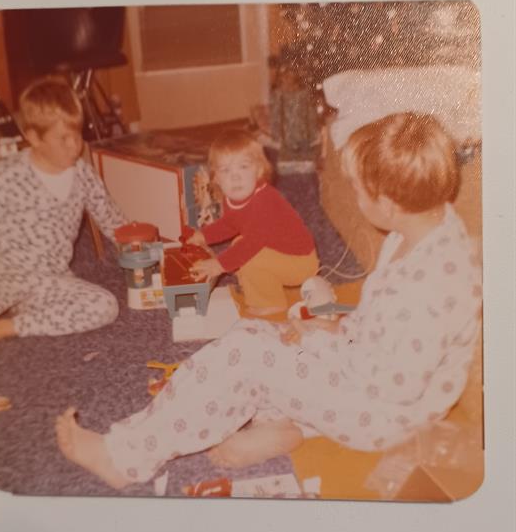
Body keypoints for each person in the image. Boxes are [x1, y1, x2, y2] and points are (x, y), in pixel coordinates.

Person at [56, 112, 482, 490]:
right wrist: (333, 330)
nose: (356, 197)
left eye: (358, 191)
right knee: (257, 335)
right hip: (367, 371)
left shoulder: (427, 290)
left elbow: (391, 386)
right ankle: (283, 426)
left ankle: (124, 458)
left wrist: (331, 345)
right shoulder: (422, 228)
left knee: (246, 357)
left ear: (387, 205)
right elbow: (381, 333)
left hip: (380, 413)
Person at [0, 76, 127, 343]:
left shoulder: (83, 174)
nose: (75, 145)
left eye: (77, 134)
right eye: (63, 138)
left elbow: (114, 223)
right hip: (1, 276)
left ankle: (3, 328)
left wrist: (150, 254)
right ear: (33, 137)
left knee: (105, 305)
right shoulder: (3, 177)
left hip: (48, 281)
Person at [186, 129, 319, 315]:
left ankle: (271, 302)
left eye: (244, 167)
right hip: (277, 251)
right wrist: (204, 235)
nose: (235, 176)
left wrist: (219, 265)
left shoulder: (265, 200)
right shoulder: (231, 199)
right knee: (238, 244)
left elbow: (253, 243)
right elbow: (229, 224)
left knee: (250, 257)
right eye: (225, 170)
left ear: (259, 170)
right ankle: (259, 283)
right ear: (215, 178)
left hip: (300, 262)